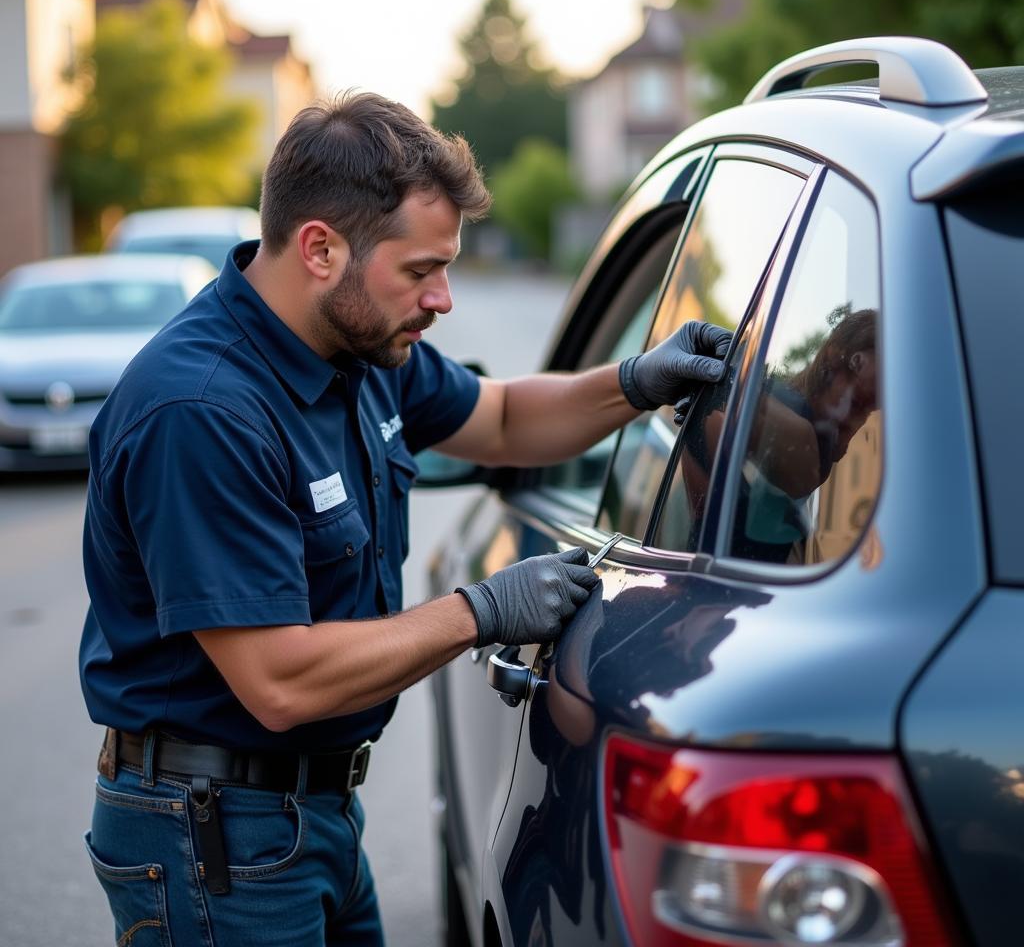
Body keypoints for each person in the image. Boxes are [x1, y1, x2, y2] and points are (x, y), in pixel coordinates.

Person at [78, 92, 729, 947]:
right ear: (320, 248)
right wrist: (479, 613)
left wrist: (637, 382)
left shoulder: (358, 344)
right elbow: (279, 681)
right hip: (213, 840)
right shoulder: (202, 412)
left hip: (310, 816)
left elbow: (497, 420)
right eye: (421, 270)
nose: (444, 299)